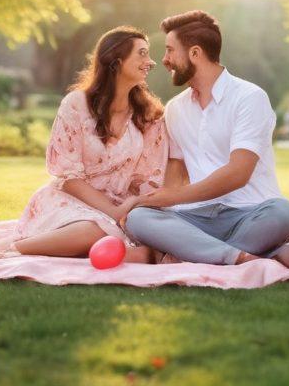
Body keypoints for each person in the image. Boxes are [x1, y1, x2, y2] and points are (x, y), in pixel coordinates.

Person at [121, 10, 289, 268]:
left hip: (251, 213)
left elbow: (238, 173)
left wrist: (172, 198)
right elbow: (176, 165)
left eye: (170, 50)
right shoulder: (176, 109)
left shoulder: (249, 97)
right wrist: (164, 203)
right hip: (197, 216)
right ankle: (245, 257)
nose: (164, 60)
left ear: (195, 53)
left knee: (284, 213)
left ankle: (190, 253)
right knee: (139, 218)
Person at [12, 26, 171, 264]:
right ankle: (17, 249)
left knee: (138, 241)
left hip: (122, 208)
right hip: (70, 200)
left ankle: (94, 249)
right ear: (116, 61)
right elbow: (69, 177)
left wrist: (130, 209)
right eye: (142, 53)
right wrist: (112, 212)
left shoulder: (150, 115)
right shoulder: (76, 104)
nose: (150, 62)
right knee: (94, 231)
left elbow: (148, 180)